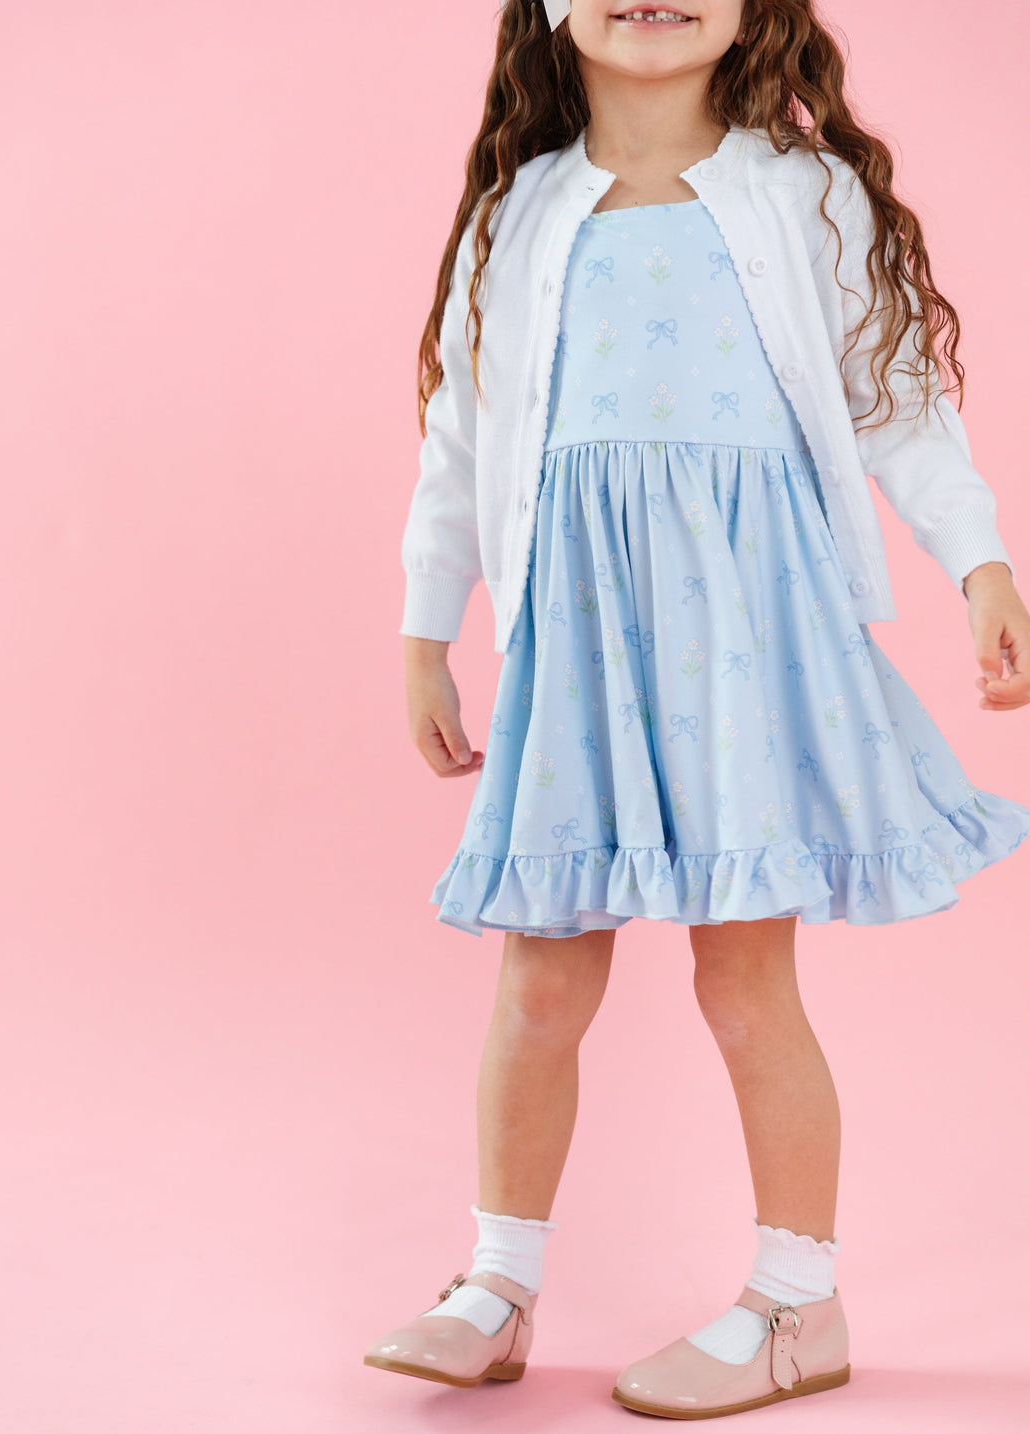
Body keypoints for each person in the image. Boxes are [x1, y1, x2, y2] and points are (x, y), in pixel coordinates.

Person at [365, 0, 1030, 1418]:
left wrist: (980, 561)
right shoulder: (519, 212)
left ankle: (798, 1303)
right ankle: (496, 1284)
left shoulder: (803, 194)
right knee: (540, 980)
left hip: (748, 637)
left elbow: (900, 400)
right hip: (580, 640)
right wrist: (430, 628)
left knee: (744, 980)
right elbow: (461, 431)